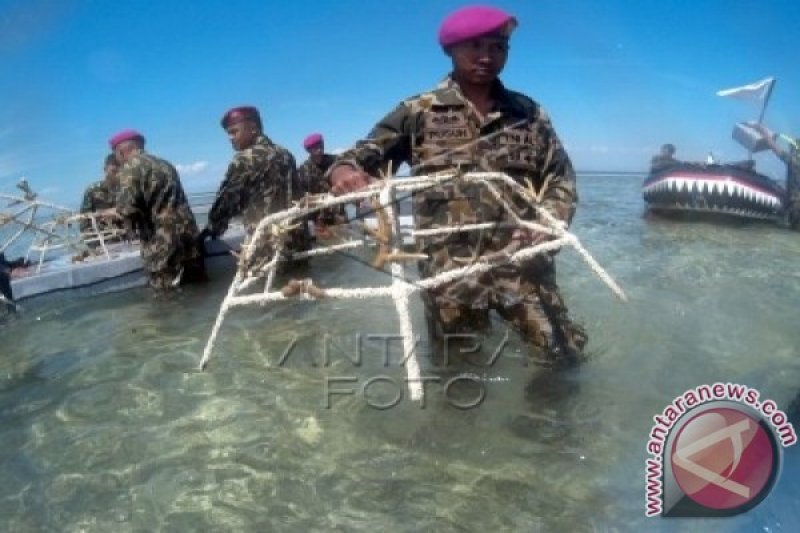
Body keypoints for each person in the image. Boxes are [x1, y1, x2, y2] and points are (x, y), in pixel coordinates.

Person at [327, 5, 587, 367]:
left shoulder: (529, 113)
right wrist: (343, 171)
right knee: (458, 371)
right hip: (450, 273)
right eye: (475, 46)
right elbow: (360, 156)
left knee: (561, 358)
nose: (487, 56)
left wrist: (549, 225)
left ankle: (539, 424)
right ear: (451, 50)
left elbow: (561, 178)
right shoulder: (418, 111)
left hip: (524, 264)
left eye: (498, 47)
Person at [200, 106, 310, 263]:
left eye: (234, 131)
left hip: (268, 246)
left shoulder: (245, 159)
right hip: (298, 240)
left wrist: (210, 231)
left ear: (253, 128)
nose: (230, 138)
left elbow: (225, 204)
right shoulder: (285, 154)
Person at [110, 129, 206, 290]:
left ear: (121, 151)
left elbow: (127, 209)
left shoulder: (130, 168)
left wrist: (112, 213)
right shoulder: (165, 164)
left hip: (163, 243)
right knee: (198, 289)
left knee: (167, 298)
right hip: (189, 238)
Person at [754, 124, 800, 230]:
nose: (790, 150)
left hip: (795, 208)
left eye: (792, 149)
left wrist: (762, 130)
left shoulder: (793, 161)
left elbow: (774, 147)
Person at [298, 133, 344, 230]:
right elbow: (302, 194)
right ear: (308, 150)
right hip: (318, 218)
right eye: (315, 148)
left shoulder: (335, 161)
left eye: (321, 146)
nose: (319, 149)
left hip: (339, 213)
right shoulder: (303, 170)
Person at [79, 153, 124, 236]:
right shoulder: (92, 191)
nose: (117, 175)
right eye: (114, 171)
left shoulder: (129, 189)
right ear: (105, 169)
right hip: (103, 239)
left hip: (129, 237)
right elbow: (83, 221)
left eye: (120, 171)